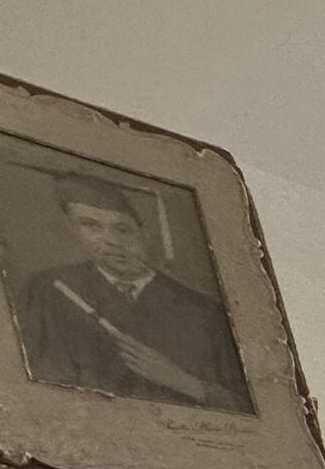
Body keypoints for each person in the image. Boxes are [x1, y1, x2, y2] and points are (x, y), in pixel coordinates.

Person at [13, 173, 252, 411]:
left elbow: (247, 409)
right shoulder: (49, 290)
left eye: (123, 229)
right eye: (91, 226)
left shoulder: (205, 313)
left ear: (148, 233)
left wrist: (184, 382)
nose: (111, 241)